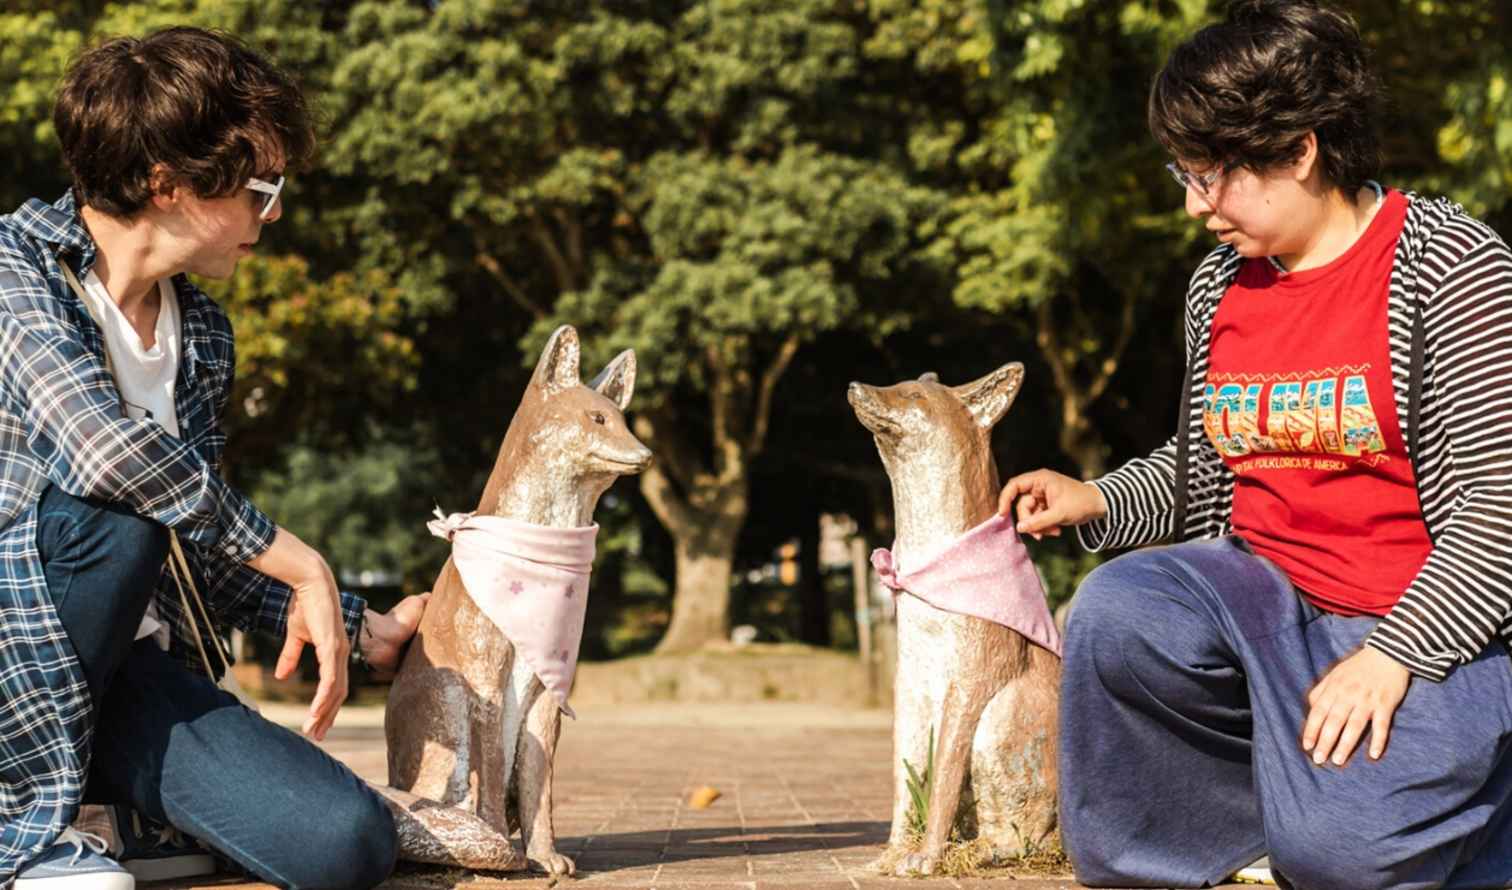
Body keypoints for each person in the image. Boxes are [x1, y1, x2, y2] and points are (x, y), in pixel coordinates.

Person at [999, 2, 1512, 888]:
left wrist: (1394, 654)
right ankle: (1202, 851)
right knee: (1121, 610)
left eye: (1212, 176)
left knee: (1345, 859)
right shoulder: (1218, 287)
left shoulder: (1450, 266)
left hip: (1434, 631)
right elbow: (1218, 465)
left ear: (1301, 149)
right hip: (1268, 613)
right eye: (1182, 174)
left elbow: (1501, 507)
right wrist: (1100, 498)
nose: (1195, 207)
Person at [0, 27, 427, 890]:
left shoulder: (203, 334)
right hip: (12, 651)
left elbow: (195, 544)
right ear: (169, 184)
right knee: (113, 518)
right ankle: (21, 830)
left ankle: (91, 811)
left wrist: (355, 622)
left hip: (117, 671)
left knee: (344, 844)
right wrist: (294, 554)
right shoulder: (14, 270)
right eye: (262, 191)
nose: (275, 217)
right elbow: (104, 454)